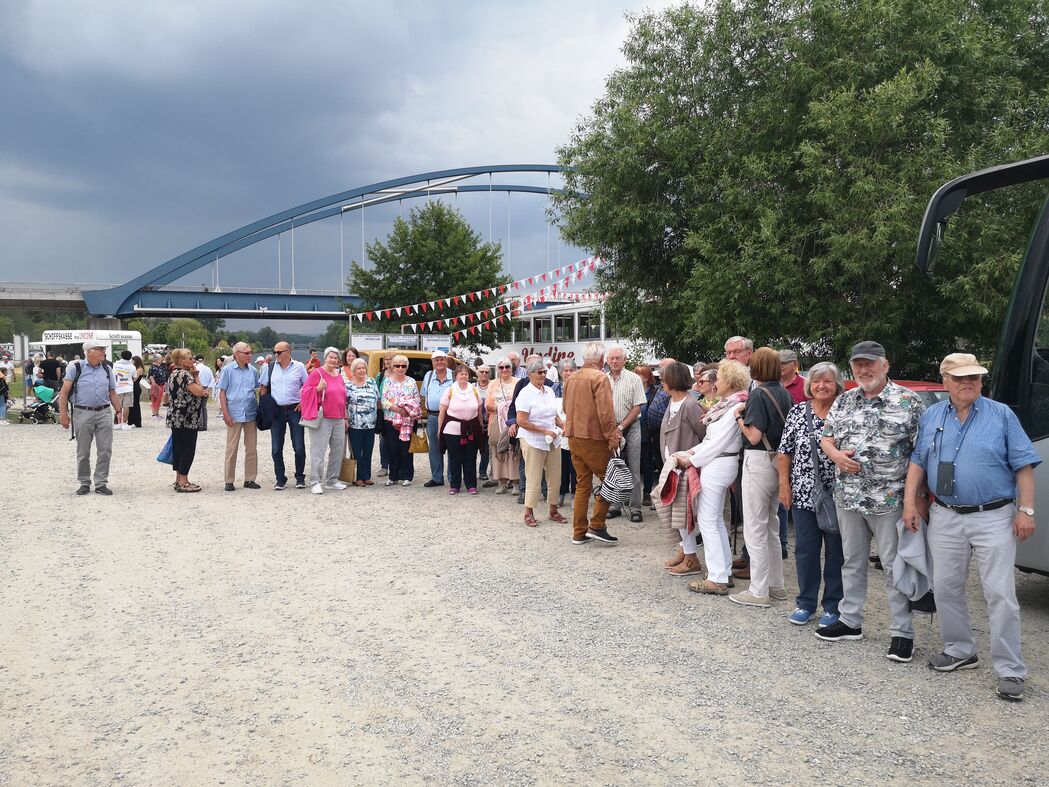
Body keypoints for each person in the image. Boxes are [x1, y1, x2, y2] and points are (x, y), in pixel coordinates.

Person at [903, 353, 1039, 701]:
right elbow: (919, 461)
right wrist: (910, 503)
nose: (969, 383)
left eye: (975, 378)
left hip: (993, 515)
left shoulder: (1001, 414)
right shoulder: (933, 414)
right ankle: (960, 650)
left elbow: (1023, 464)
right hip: (945, 515)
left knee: (1000, 593)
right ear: (945, 380)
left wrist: (1026, 510)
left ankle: (1010, 670)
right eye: (961, 378)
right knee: (945, 587)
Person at [817, 341, 925, 664]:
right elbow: (826, 436)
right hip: (848, 496)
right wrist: (836, 455)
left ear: (885, 365)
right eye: (857, 365)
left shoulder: (908, 401)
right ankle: (851, 621)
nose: (863, 370)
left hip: (890, 499)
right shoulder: (845, 400)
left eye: (870, 364)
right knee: (852, 561)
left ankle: (902, 633)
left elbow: (921, 454)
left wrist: (916, 500)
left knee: (894, 566)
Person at [777, 362, 845, 627]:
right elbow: (784, 452)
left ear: (837, 384)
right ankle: (805, 603)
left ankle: (833, 606)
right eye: (817, 381)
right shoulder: (797, 412)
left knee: (836, 553)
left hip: (839, 494)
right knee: (805, 550)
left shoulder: (845, 411)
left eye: (827, 381)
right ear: (809, 385)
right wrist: (785, 486)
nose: (821, 386)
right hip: (804, 492)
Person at [675, 360, 751, 594]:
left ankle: (717, 576)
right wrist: (692, 452)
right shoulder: (729, 404)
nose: (715, 382)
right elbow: (711, 441)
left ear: (729, 381)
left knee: (708, 521)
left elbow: (717, 443)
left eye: (719, 378)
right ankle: (723, 571)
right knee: (714, 520)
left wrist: (692, 459)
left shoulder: (733, 406)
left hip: (719, 464)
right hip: (719, 462)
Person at [728, 347, 795, 607]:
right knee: (772, 527)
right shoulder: (784, 393)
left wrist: (738, 418)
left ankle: (758, 590)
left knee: (755, 528)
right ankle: (776, 586)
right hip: (778, 461)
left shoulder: (757, 394)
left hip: (758, 460)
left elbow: (754, 436)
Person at [564, 342, 621, 545]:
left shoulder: (571, 378)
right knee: (610, 480)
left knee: (582, 484)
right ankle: (597, 525)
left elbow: (565, 407)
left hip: (573, 436)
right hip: (593, 438)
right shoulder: (599, 377)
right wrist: (613, 437)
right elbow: (605, 413)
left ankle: (579, 531)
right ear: (601, 358)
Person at [658, 362, 707, 576]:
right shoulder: (673, 402)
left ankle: (691, 558)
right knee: (675, 513)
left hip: (686, 469)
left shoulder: (690, 405)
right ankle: (685, 551)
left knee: (683, 515)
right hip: (673, 468)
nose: (661, 381)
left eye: (664, 377)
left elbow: (705, 435)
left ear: (673, 380)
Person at [58, 340, 122, 495]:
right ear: (89, 351)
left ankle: (101, 483)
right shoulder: (75, 368)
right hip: (82, 412)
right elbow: (64, 392)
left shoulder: (107, 368)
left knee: (105, 449)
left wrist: (119, 411)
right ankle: (84, 482)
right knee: (83, 451)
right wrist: (63, 414)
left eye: (104, 349)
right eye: (100, 349)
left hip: (104, 412)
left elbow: (112, 392)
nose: (103, 352)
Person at [515, 358, 567, 525]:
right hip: (533, 440)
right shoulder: (525, 394)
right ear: (530, 374)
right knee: (534, 477)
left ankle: (553, 510)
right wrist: (544, 430)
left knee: (555, 476)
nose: (543, 375)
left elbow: (554, 414)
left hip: (553, 439)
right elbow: (521, 421)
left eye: (544, 371)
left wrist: (561, 424)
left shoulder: (550, 391)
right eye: (540, 372)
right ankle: (528, 512)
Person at [604, 345, 647, 523]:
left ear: (624, 360)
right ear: (607, 360)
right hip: (609, 429)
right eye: (611, 358)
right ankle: (615, 505)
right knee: (614, 468)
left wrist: (621, 428)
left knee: (634, 469)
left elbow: (638, 405)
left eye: (617, 358)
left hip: (631, 426)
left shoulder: (634, 378)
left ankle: (635, 507)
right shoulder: (602, 379)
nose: (614, 361)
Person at [260, 341, 309, 490]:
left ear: (289, 351)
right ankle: (280, 479)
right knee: (276, 448)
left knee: (299, 446)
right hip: (277, 411)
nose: (276, 355)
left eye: (279, 352)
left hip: (295, 410)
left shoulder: (299, 367)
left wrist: (303, 402)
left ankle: (300, 477)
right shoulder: (268, 368)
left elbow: (307, 387)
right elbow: (263, 388)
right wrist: (265, 407)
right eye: (274, 352)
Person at [304, 347, 349, 494]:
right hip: (323, 418)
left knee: (337, 451)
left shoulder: (339, 374)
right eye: (331, 357)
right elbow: (304, 392)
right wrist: (317, 389)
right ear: (325, 358)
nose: (334, 360)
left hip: (339, 418)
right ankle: (315, 481)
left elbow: (343, 397)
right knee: (318, 451)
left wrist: (345, 416)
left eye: (336, 358)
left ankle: (332, 480)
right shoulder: (317, 373)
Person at [164, 348, 209, 492]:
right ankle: (184, 481)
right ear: (181, 361)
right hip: (187, 418)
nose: (192, 360)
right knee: (187, 449)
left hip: (176, 416)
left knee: (178, 448)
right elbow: (200, 391)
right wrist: (196, 376)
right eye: (189, 358)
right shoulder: (185, 375)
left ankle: (179, 479)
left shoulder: (173, 373)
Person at [218, 342, 261, 492]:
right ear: (237, 354)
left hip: (250, 413)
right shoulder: (228, 370)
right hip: (234, 414)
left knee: (251, 448)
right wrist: (225, 413)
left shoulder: (253, 371)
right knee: (232, 448)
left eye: (250, 352)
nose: (250, 355)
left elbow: (257, 389)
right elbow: (222, 392)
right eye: (246, 353)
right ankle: (229, 480)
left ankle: (250, 479)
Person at [438, 363, 484, 495]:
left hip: (471, 429)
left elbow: (479, 410)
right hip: (452, 430)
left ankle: (471, 485)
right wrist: (439, 429)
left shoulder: (474, 390)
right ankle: (455, 485)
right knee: (455, 457)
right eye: (461, 374)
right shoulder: (450, 390)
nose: (464, 376)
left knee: (471, 457)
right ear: (456, 376)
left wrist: (480, 426)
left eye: (466, 374)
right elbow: (442, 411)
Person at [380, 354, 421, 486]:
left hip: (408, 420)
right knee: (392, 448)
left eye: (403, 366)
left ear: (407, 367)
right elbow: (383, 399)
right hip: (391, 420)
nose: (400, 368)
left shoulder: (411, 381)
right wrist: (396, 408)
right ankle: (393, 476)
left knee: (406, 449)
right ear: (392, 367)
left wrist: (407, 408)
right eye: (397, 365)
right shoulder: (387, 381)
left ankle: (407, 476)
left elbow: (417, 398)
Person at [486, 358, 520, 494]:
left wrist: (509, 409)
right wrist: (500, 407)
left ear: (511, 368)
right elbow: (487, 404)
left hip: (512, 421)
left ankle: (516, 482)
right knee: (497, 450)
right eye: (501, 367)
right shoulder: (492, 384)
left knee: (513, 450)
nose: (504, 370)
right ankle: (502, 482)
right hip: (495, 421)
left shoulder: (517, 383)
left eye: (507, 367)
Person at [422, 350, 454, 487]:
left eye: (442, 359)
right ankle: (437, 478)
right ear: (433, 362)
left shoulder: (454, 374)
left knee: (453, 447)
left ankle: (454, 478)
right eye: (436, 360)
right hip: (433, 416)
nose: (439, 362)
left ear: (446, 361)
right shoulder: (428, 376)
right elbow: (424, 394)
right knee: (434, 448)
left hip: (452, 416)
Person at [345, 357, 379, 487]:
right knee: (356, 452)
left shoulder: (372, 382)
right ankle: (357, 477)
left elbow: (378, 400)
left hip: (370, 423)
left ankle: (366, 476)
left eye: (363, 368)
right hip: (355, 424)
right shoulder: (348, 385)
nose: (361, 370)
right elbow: (344, 404)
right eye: (358, 368)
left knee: (368, 450)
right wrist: (345, 419)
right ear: (353, 371)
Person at [553, 359, 577, 506]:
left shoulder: (580, 387)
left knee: (575, 465)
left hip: (575, 431)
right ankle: (561, 492)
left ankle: (575, 493)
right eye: (565, 370)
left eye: (570, 370)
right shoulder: (555, 388)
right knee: (560, 466)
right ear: (561, 372)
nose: (568, 373)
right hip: (559, 432)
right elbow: (551, 410)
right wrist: (561, 425)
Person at [636, 364, 658, 507]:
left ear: (647, 377)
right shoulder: (633, 390)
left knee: (647, 464)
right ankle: (632, 493)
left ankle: (647, 493)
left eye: (641, 374)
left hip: (647, 433)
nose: (638, 377)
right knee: (632, 465)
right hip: (633, 431)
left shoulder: (654, 392)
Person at [475, 363, 492, 483]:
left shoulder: (493, 386)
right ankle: (470, 471)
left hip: (489, 422)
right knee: (472, 448)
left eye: (486, 372)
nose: (484, 374)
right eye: (482, 372)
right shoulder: (472, 387)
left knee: (486, 449)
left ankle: (483, 471)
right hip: (474, 422)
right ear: (477, 373)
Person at [375, 354, 391, 477]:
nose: (387, 361)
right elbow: (376, 393)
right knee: (383, 441)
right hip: (383, 412)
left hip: (396, 412)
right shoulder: (380, 376)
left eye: (390, 359)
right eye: (385, 359)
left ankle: (396, 466)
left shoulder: (398, 375)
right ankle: (384, 466)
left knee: (396, 441)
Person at [113, 350, 136, 430]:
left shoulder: (115, 365)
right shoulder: (132, 366)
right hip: (128, 387)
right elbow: (134, 377)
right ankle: (124, 423)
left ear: (121, 356)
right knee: (126, 406)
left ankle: (117, 423)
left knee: (118, 406)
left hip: (118, 387)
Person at [148, 353, 171, 420]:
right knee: (155, 399)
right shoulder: (152, 366)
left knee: (159, 400)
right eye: (160, 358)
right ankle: (154, 414)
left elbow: (165, 364)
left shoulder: (160, 366)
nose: (161, 359)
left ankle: (157, 414)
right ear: (156, 359)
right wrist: (154, 384)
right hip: (156, 385)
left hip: (161, 384)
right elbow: (151, 375)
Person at [128, 356, 144, 428]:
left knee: (135, 404)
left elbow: (134, 379)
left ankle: (137, 421)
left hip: (136, 387)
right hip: (133, 387)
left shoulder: (139, 369)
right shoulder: (135, 368)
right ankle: (131, 420)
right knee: (132, 404)